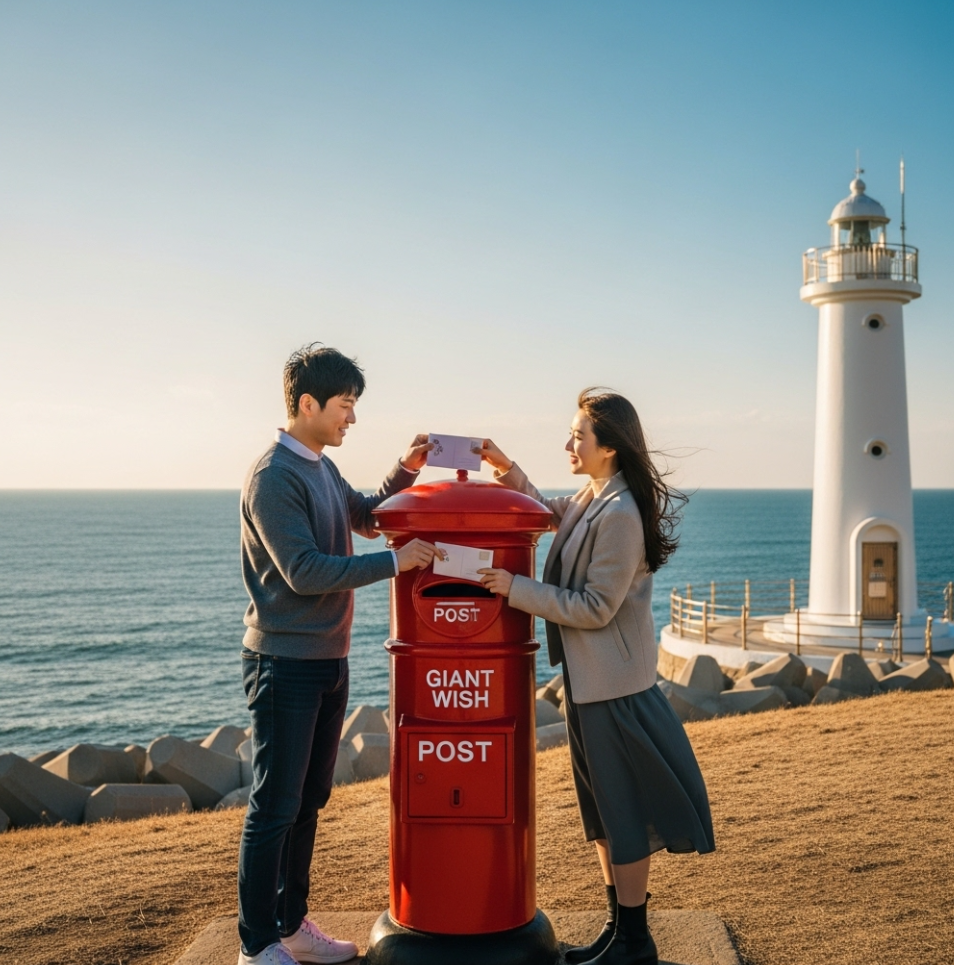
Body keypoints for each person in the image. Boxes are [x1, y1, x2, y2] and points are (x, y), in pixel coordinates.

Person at [475, 388, 714, 965]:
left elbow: (594, 608)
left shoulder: (622, 513)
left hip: (615, 689)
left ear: (609, 447)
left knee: (624, 814)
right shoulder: (594, 495)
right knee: (603, 812)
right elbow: (543, 510)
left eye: (578, 436)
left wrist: (515, 591)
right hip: (590, 684)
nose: (569, 444)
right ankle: (619, 932)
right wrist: (504, 467)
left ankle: (636, 942)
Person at [237, 345, 440, 965]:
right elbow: (302, 571)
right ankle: (256, 945)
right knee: (274, 805)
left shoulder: (320, 467)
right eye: (345, 405)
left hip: (328, 659)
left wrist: (406, 470)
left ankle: (291, 924)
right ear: (307, 404)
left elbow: (366, 515)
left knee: (308, 800)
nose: (352, 417)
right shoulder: (274, 476)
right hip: (284, 663)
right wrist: (395, 563)